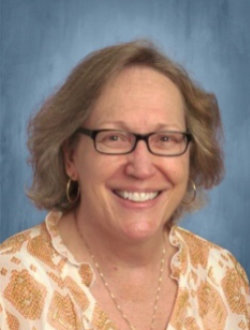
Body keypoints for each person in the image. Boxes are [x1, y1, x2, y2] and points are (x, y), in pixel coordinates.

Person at [0, 40, 249, 330]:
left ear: (191, 155)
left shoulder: (223, 278)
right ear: (71, 157)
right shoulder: (9, 286)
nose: (141, 168)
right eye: (114, 138)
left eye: (165, 139)